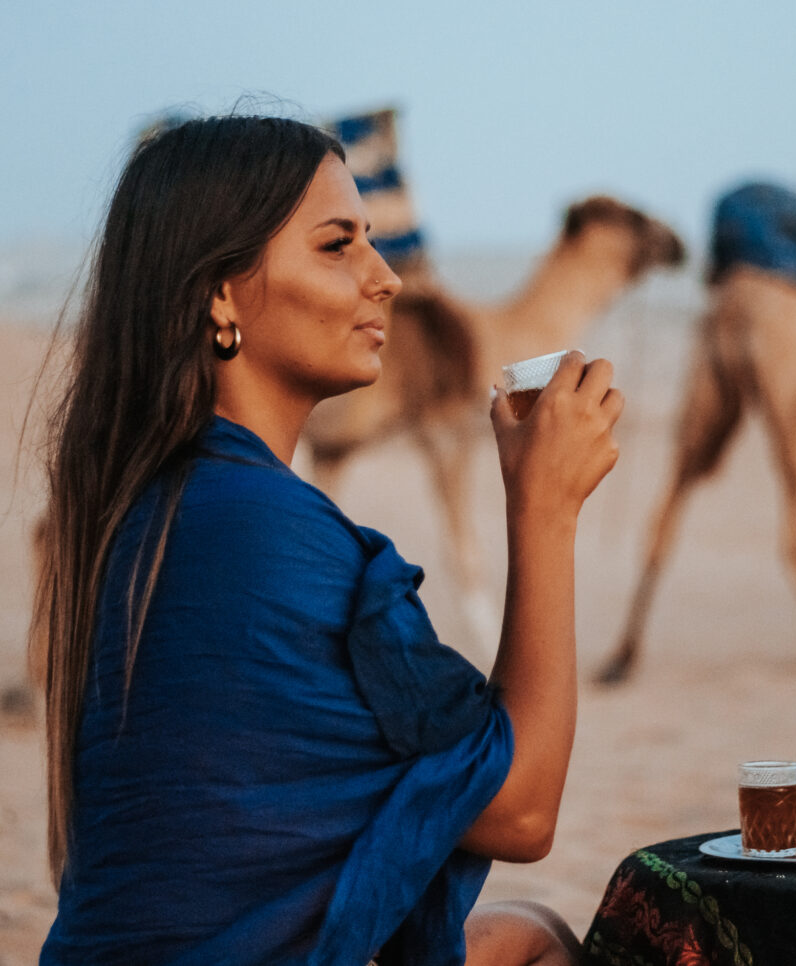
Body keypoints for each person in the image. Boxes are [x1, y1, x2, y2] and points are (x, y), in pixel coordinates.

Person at [33, 114, 623, 965]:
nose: (383, 278)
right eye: (337, 245)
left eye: (372, 243)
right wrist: (545, 511)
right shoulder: (272, 536)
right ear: (220, 294)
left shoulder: (149, 505)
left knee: (526, 935)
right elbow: (522, 809)